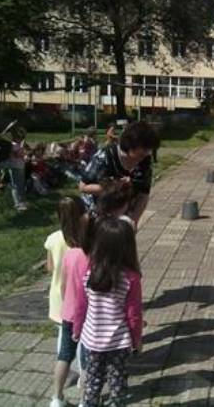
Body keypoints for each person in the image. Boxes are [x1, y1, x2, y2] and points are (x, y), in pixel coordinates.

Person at [78, 217, 142, 407]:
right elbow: (134, 314)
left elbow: (82, 304)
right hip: (118, 341)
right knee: (118, 381)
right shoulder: (131, 277)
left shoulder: (90, 271)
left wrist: (77, 328)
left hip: (92, 339)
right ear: (128, 246)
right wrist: (137, 339)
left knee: (93, 380)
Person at [48, 197, 88, 407]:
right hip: (85, 308)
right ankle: (85, 399)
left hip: (64, 305)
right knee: (86, 357)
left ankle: (56, 397)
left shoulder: (55, 239)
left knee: (64, 352)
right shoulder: (86, 244)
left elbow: (50, 269)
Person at [79, 121, 159, 224]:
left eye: (149, 149)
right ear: (131, 144)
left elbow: (143, 194)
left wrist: (133, 221)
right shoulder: (105, 156)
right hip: (97, 213)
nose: (148, 153)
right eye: (145, 148)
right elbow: (83, 187)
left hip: (124, 214)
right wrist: (115, 186)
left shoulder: (144, 161)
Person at [0, 126, 28, 211]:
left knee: (21, 185)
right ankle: (17, 204)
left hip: (20, 166)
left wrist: (23, 152)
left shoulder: (18, 144)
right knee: (16, 186)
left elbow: (22, 154)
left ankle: (22, 202)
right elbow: (17, 154)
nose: (21, 139)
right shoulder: (13, 145)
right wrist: (22, 148)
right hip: (15, 167)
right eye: (20, 137)